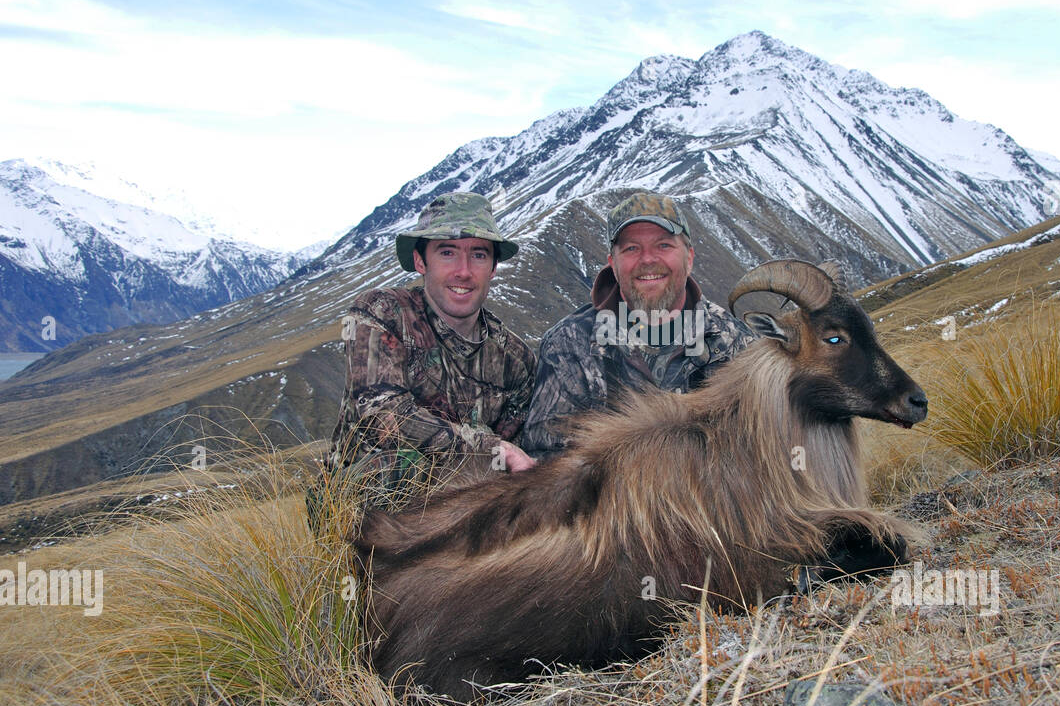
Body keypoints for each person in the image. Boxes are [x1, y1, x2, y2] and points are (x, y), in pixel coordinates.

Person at [317, 192, 536, 522]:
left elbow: (512, 465)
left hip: (467, 508)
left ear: (493, 267)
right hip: (357, 505)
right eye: (447, 253)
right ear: (421, 262)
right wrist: (490, 448)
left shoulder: (515, 359)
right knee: (402, 467)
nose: (463, 272)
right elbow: (382, 417)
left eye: (478, 255)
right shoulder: (381, 313)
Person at [519, 191, 755, 459]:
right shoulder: (569, 344)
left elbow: (762, 450)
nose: (647, 260)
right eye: (631, 248)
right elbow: (546, 463)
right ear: (613, 264)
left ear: (689, 258)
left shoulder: (735, 343)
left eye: (664, 245)